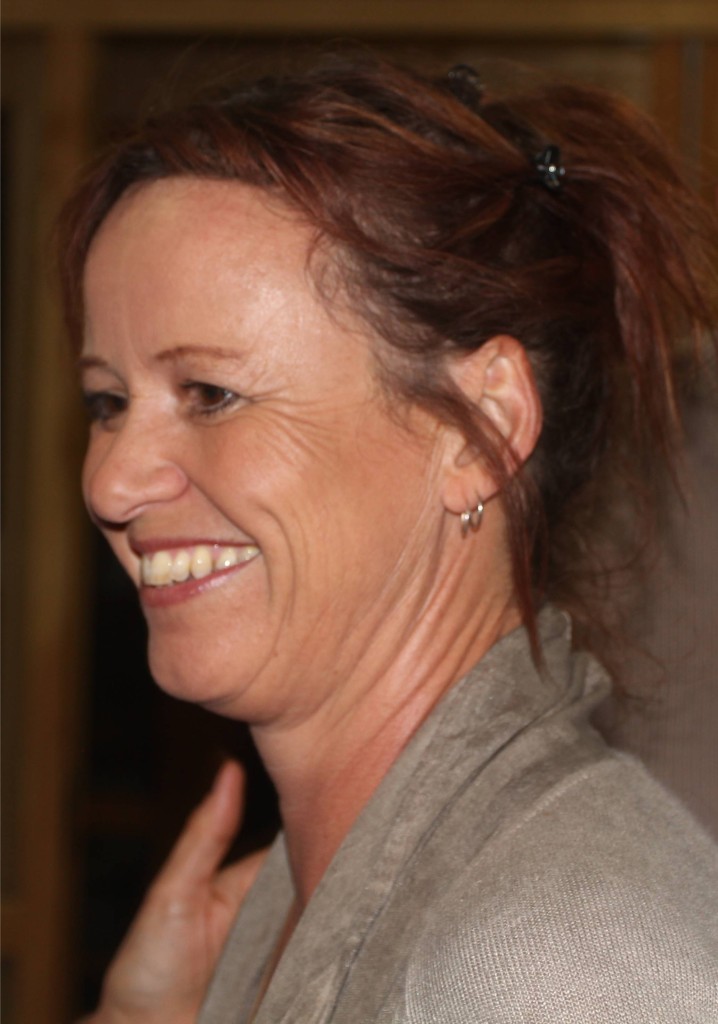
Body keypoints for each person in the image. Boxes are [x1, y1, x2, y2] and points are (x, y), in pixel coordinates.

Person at [62, 51, 718, 1023]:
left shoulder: (552, 957)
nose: (110, 481)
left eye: (210, 393)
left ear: (479, 428)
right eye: (108, 402)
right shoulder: (319, 881)